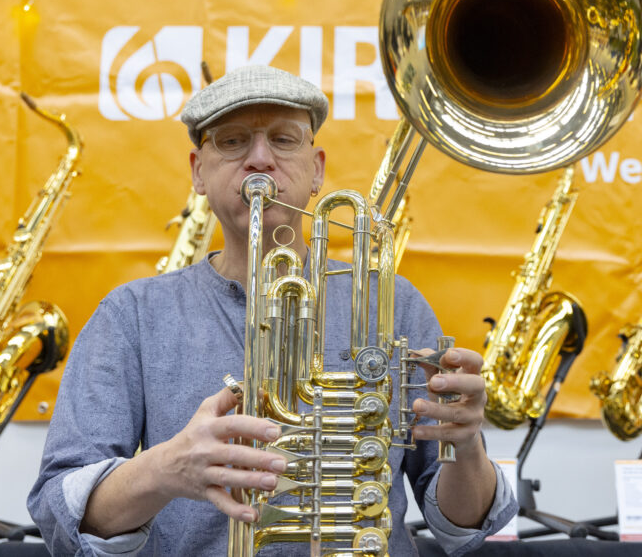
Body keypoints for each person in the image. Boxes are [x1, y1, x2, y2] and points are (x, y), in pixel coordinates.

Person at [28, 65, 517, 555]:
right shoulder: (131, 314)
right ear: (198, 172)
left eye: (283, 140)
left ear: (317, 169)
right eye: (233, 141)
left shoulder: (397, 303)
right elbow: (59, 510)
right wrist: (165, 469)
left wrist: (466, 443)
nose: (259, 159)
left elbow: (463, 525)